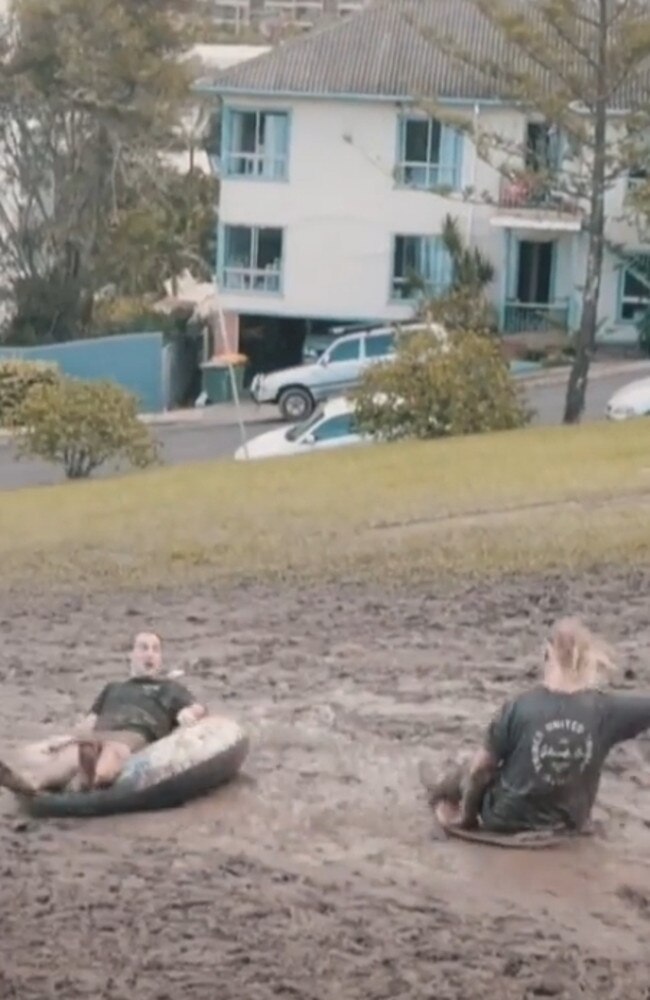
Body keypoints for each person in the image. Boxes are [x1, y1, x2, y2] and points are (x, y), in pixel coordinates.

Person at [421, 617, 650, 835]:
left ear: (547, 653)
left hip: (504, 821)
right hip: (570, 824)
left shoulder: (518, 706)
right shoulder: (607, 710)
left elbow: (481, 769)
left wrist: (468, 818)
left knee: (469, 768)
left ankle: (437, 793)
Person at [0, 631, 207, 796]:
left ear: (160, 659)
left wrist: (189, 714)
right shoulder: (113, 688)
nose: (150, 654)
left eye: (155, 649)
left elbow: (196, 707)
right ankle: (29, 783)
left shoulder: (169, 688)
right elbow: (90, 722)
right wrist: (68, 739)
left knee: (109, 762)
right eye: (143, 648)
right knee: (72, 754)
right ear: (132, 655)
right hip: (100, 733)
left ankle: (86, 778)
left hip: (133, 734)